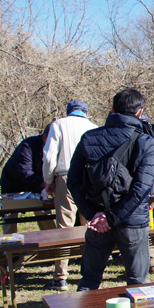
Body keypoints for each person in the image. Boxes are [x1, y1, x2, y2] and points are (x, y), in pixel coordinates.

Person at [60, 88, 154, 308]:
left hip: (98, 222)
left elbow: (73, 182)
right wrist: (113, 216)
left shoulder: (89, 138)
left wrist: (95, 214)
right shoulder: (145, 142)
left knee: (89, 279)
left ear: (112, 110)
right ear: (140, 112)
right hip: (132, 222)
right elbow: (141, 188)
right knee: (137, 282)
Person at [42, 100, 97, 290]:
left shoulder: (58, 125)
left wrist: (48, 181)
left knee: (64, 227)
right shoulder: (93, 127)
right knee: (90, 225)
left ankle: (60, 275)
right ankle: (90, 271)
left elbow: (49, 156)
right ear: (86, 112)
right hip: (89, 177)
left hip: (65, 177)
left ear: (68, 112)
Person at [0, 125, 57, 235]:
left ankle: (53, 241)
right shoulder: (27, 145)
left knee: (44, 211)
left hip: (37, 185)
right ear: (44, 138)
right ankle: (8, 248)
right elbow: (24, 171)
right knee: (10, 215)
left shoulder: (56, 148)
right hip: (13, 184)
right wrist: (45, 184)